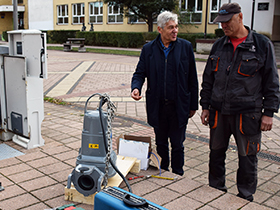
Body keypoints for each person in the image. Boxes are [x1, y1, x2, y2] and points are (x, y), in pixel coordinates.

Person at [200, 3, 280, 202]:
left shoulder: (261, 44)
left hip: (248, 114)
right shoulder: (219, 45)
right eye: (221, 23)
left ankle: (245, 197)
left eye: (227, 22)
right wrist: (205, 106)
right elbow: (208, 79)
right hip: (219, 112)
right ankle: (215, 190)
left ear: (240, 17)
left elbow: (272, 82)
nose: (224, 26)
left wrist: (269, 112)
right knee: (215, 154)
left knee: (247, 158)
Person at [131, 11, 198, 176]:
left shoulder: (185, 47)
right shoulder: (148, 50)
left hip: (179, 106)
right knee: (161, 143)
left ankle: (178, 173)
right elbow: (139, 73)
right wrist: (136, 87)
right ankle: (163, 171)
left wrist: (193, 105)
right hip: (158, 106)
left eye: (176, 27)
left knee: (177, 144)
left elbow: (192, 79)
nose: (175, 30)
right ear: (160, 29)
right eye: (170, 28)